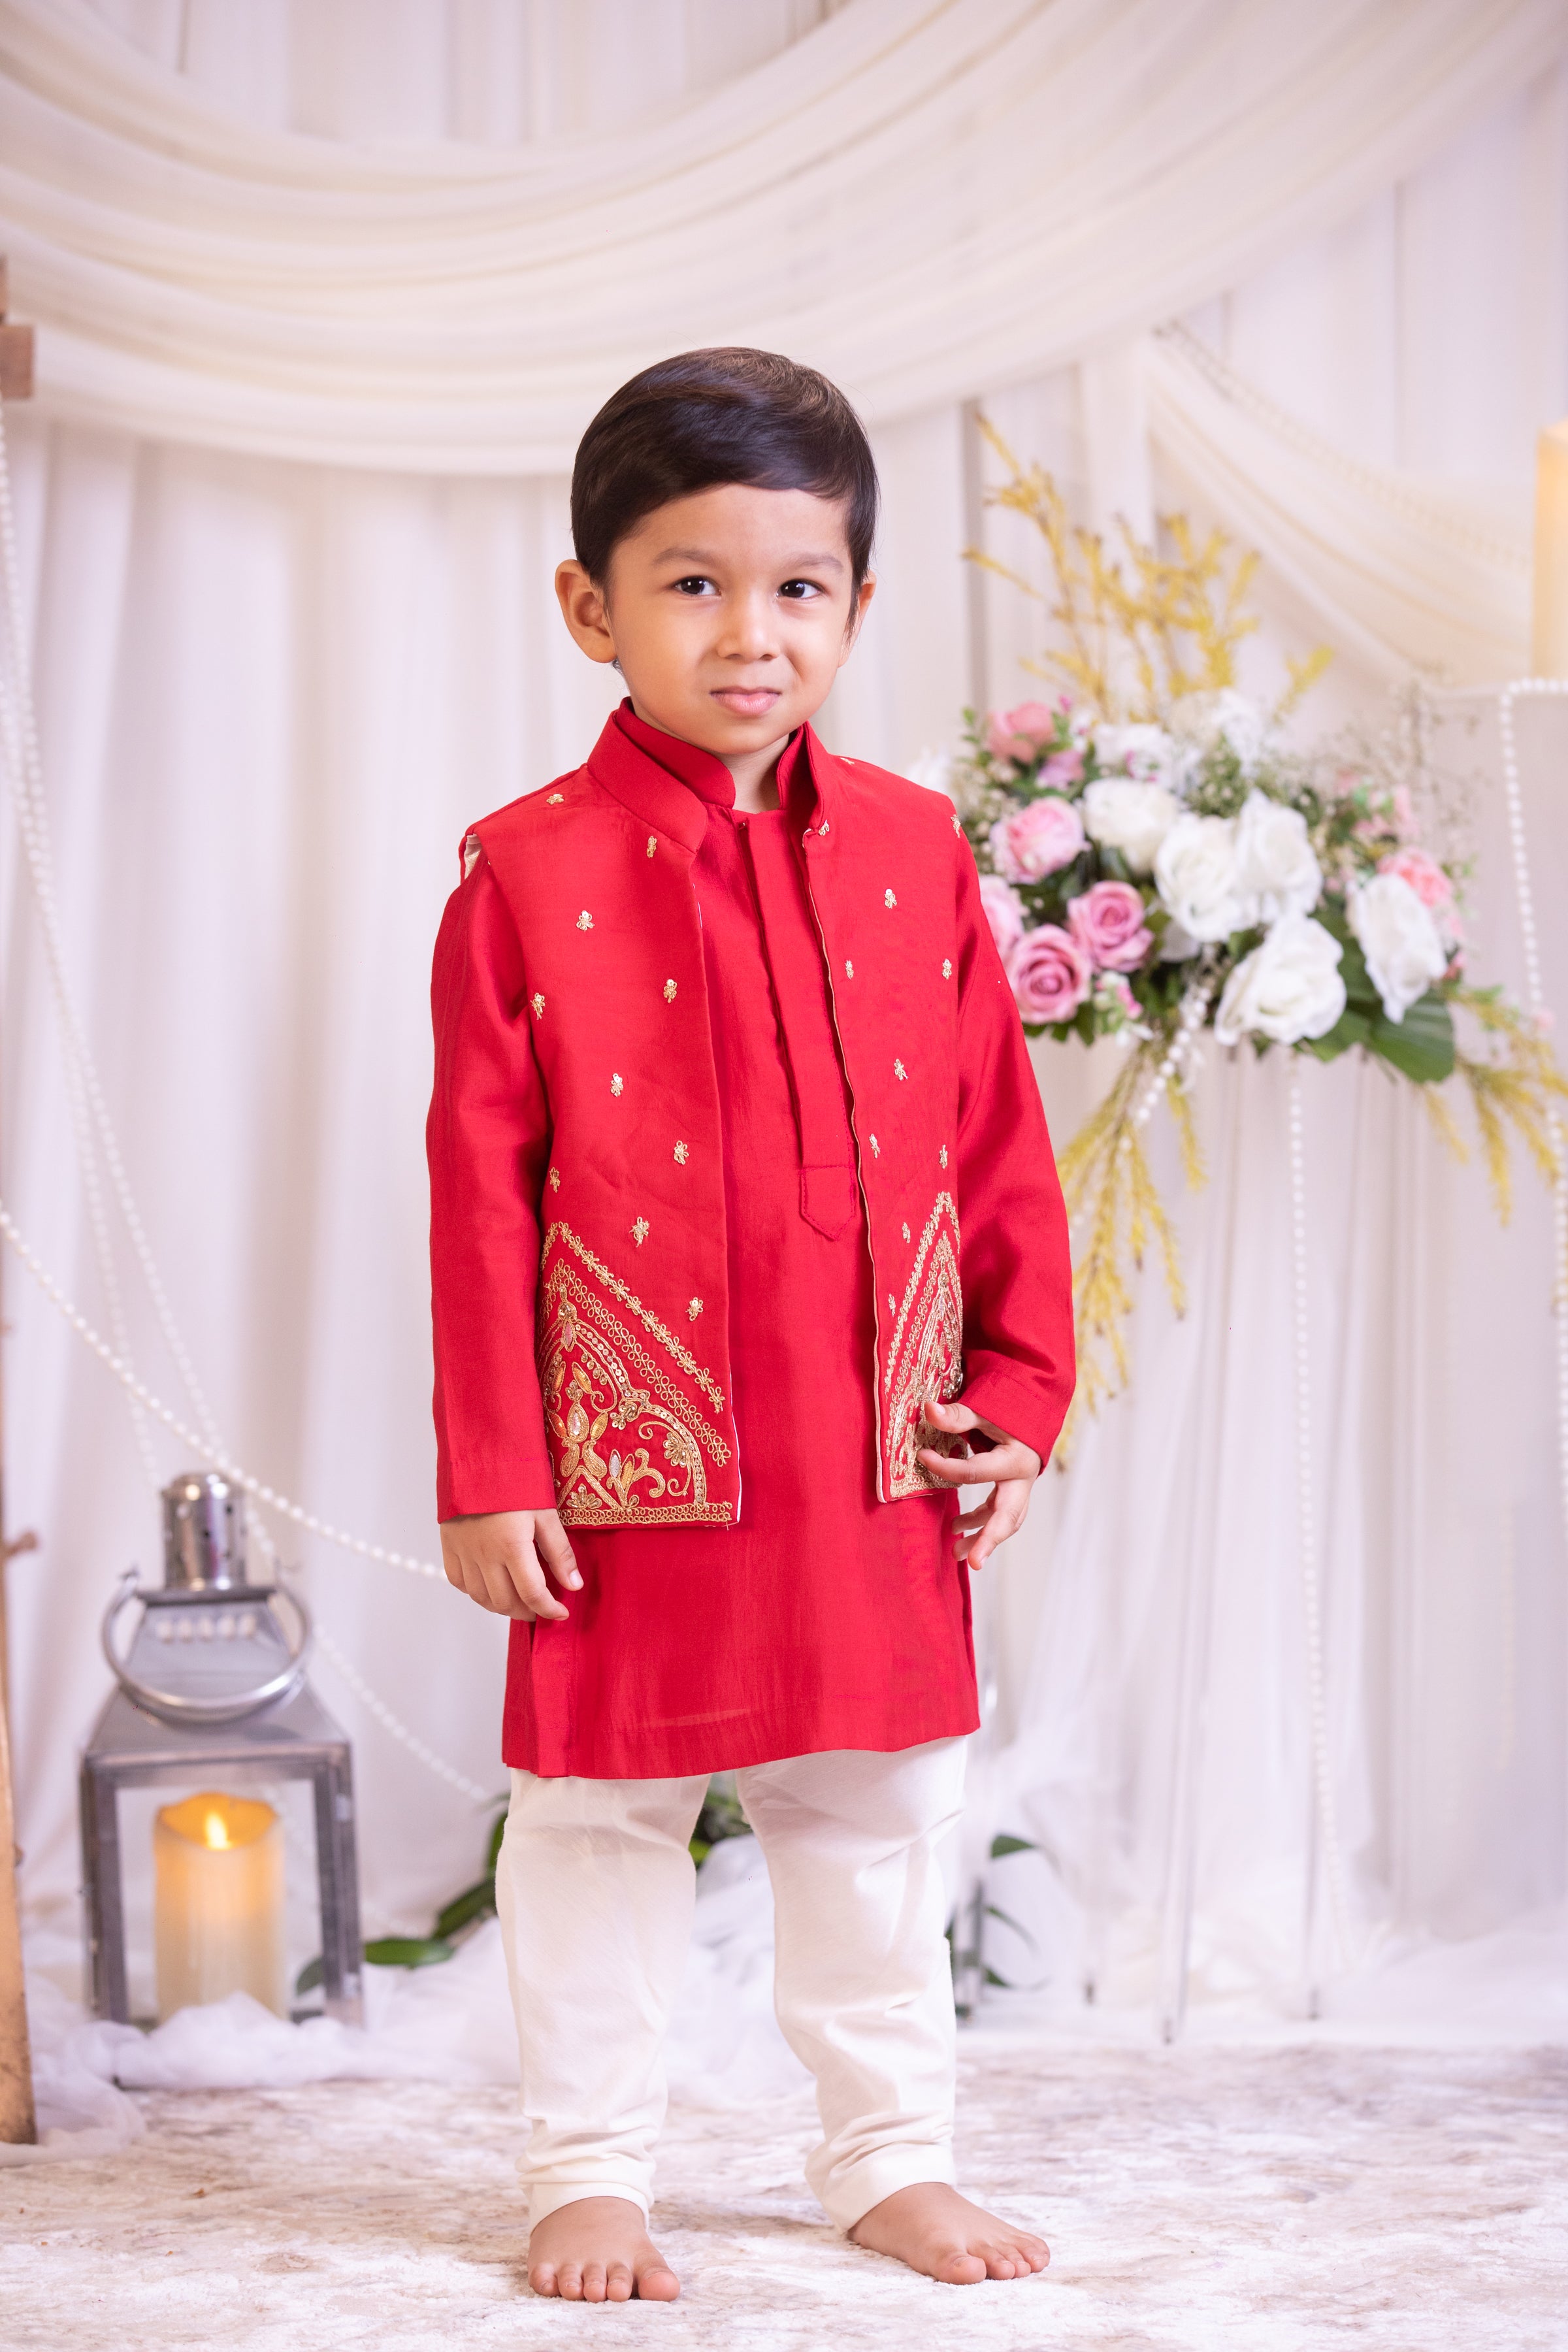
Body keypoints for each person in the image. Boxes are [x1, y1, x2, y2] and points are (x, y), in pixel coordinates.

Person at [427, 348, 1074, 2304]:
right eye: (693, 583)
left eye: (798, 587)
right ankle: (589, 2172)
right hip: (629, 1450)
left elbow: (997, 1143)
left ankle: (888, 2156)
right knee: (596, 1817)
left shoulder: (916, 850)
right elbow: (478, 1189)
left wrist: (1018, 1391)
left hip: (877, 1440)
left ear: (860, 607)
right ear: (590, 607)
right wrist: (493, 1468)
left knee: (880, 1810)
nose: (750, 633)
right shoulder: (521, 873)